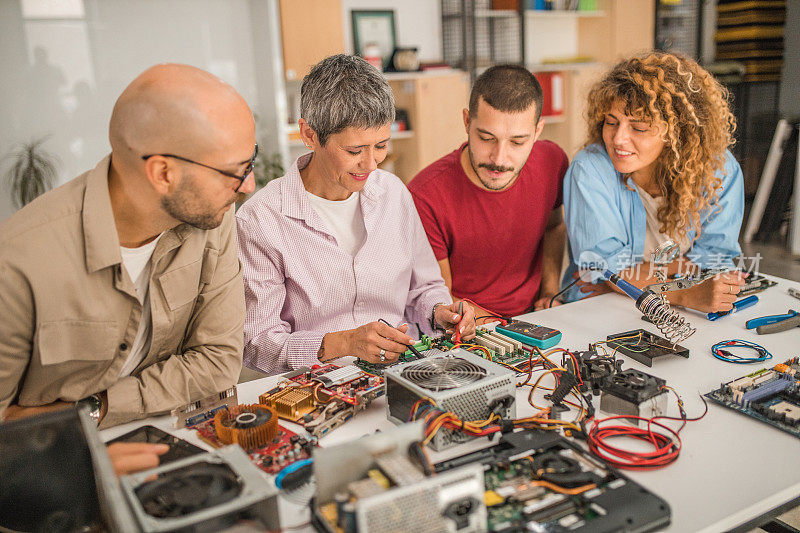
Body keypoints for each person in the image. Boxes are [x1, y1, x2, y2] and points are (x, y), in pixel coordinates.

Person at [0, 64, 255, 428]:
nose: (248, 185)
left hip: (163, 431)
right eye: (237, 170)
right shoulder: (17, 263)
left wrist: (92, 410)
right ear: (164, 174)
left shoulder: (213, 214)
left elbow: (218, 363)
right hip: (49, 461)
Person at [237, 54, 476, 375]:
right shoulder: (261, 220)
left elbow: (424, 288)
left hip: (405, 372)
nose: (372, 164)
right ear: (309, 135)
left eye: (381, 145)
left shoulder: (393, 193)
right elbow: (257, 342)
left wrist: (438, 312)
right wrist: (342, 343)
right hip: (316, 386)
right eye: (354, 151)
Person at [562, 51, 745, 313]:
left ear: (676, 132)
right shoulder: (590, 168)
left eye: (638, 128)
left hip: (686, 310)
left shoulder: (719, 171)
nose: (617, 139)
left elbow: (714, 262)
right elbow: (606, 274)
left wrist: (633, 278)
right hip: (604, 307)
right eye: (611, 122)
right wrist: (683, 292)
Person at [408, 65, 568, 318]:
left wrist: (549, 293)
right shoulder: (424, 196)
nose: (499, 158)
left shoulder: (553, 161)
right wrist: (507, 331)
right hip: (467, 328)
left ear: (537, 131)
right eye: (486, 138)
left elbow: (554, 226)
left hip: (537, 319)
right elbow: (440, 297)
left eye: (517, 142)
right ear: (467, 122)